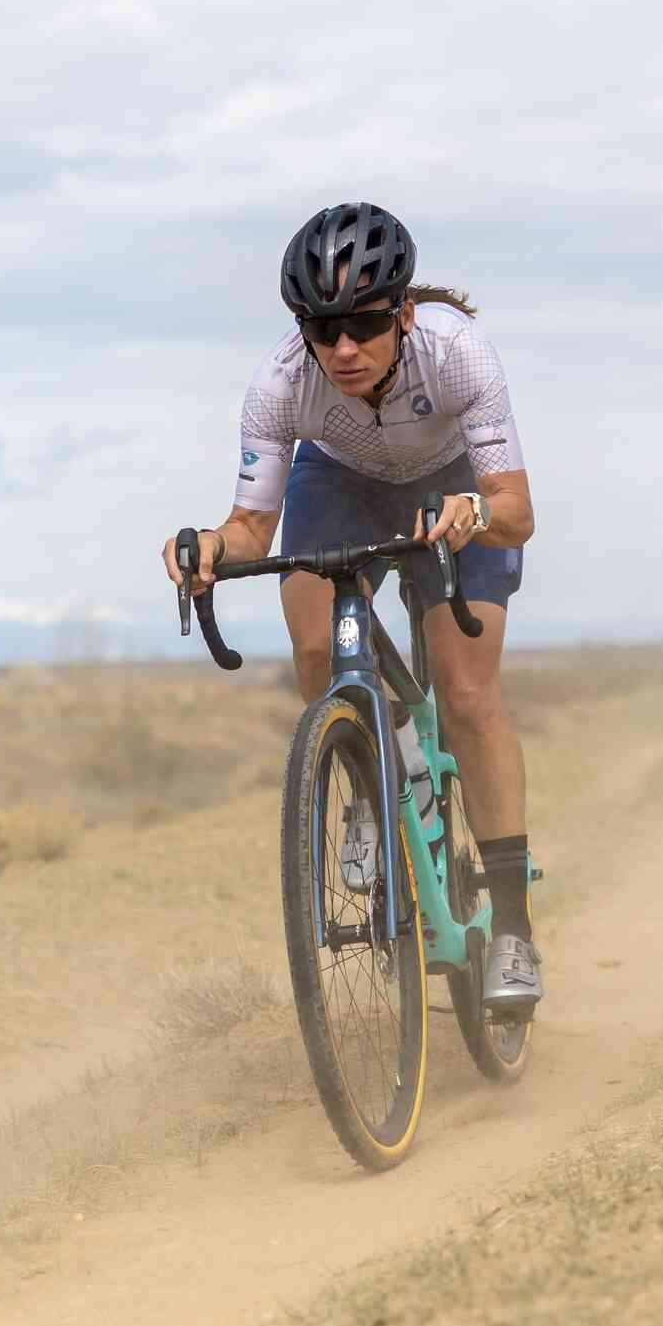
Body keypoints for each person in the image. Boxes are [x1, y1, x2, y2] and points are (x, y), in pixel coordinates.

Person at [160, 202, 543, 1007]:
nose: (342, 348)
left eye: (364, 324)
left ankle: (512, 928)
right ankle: (371, 784)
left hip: (454, 482)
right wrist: (203, 547)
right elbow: (252, 529)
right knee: (312, 651)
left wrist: (473, 512)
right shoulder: (280, 383)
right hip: (339, 479)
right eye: (321, 327)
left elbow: (517, 508)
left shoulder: (458, 353)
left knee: (467, 689)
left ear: (402, 313)